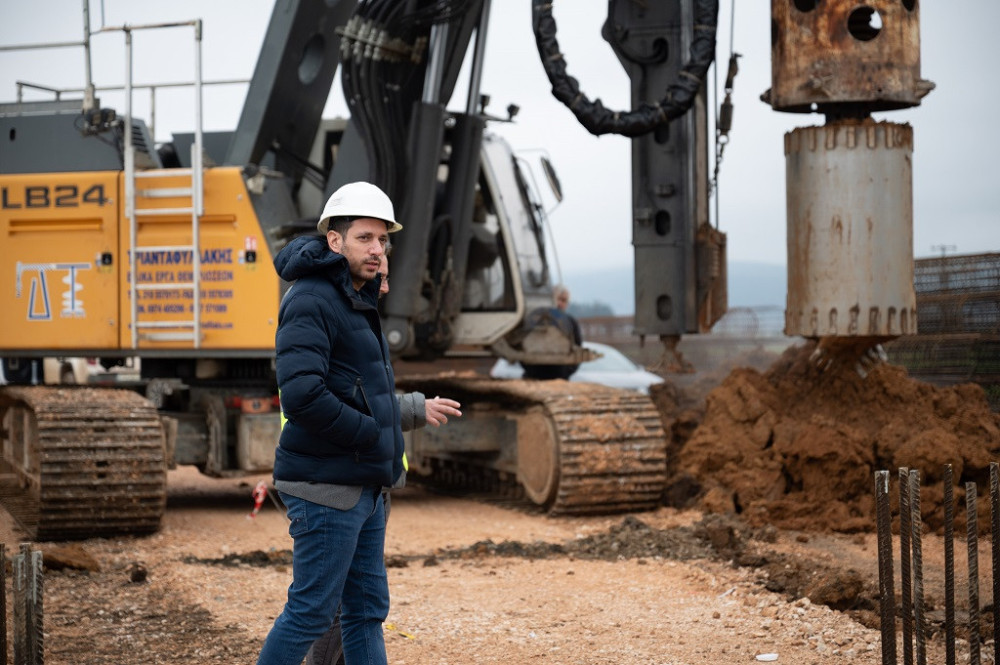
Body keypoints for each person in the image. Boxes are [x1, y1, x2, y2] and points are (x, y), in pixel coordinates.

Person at [256, 181, 404, 665]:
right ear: (334, 241)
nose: (378, 250)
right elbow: (302, 395)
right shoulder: (312, 299)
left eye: (382, 239)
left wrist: (408, 414)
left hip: (363, 480)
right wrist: (370, 435)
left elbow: (362, 389)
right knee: (312, 613)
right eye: (365, 238)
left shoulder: (357, 300)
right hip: (325, 486)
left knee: (365, 613)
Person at [304, 249, 462, 665]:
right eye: (382, 276)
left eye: (388, 276)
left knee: (359, 608)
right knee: (332, 607)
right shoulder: (334, 319)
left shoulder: (363, 325)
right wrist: (401, 413)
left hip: (369, 479)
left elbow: (367, 398)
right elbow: (344, 400)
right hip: (337, 477)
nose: (384, 284)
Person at [521, 284, 584, 380]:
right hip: (533, 377)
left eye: (564, 300)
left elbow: (578, 349)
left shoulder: (571, 323)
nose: (560, 303)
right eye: (558, 299)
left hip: (560, 380)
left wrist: (565, 372)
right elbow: (521, 347)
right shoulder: (535, 320)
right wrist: (531, 370)